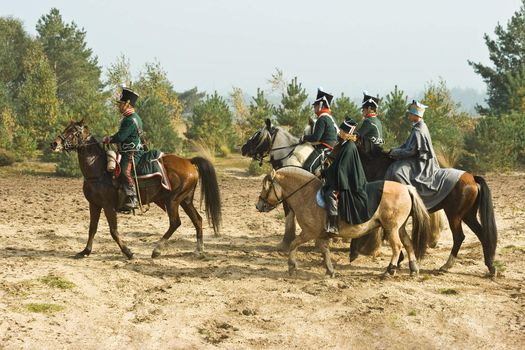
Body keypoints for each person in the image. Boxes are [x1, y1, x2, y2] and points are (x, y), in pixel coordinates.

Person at [385, 100, 464, 209]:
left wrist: (395, 153)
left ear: (416, 115)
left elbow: (412, 151)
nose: (409, 116)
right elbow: (406, 145)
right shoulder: (416, 127)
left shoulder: (420, 130)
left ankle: (409, 201)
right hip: (415, 159)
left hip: (421, 163)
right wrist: (394, 150)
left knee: (398, 172)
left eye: (411, 114)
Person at [322, 118, 384, 234]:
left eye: (341, 131)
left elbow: (341, 168)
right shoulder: (345, 145)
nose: (339, 133)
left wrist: (326, 173)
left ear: (347, 134)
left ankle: (333, 225)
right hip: (346, 178)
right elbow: (338, 165)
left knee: (330, 193)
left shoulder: (349, 147)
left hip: (351, 183)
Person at [103, 87, 145, 211]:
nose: (119, 106)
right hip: (126, 150)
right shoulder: (130, 117)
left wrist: (109, 139)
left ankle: (133, 198)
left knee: (124, 172)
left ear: (127, 104)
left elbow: (121, 137)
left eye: (120, 104)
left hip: (131, 152)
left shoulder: (130, 120)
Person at [301, 87, 338, 173]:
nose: (314, 108)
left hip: (324, 149)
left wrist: (304, 138)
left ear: (321, 105)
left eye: (316, 105)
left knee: (307, 168)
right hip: (331, 148)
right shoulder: (330, 117)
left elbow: (316, 137)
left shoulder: (322, 119)